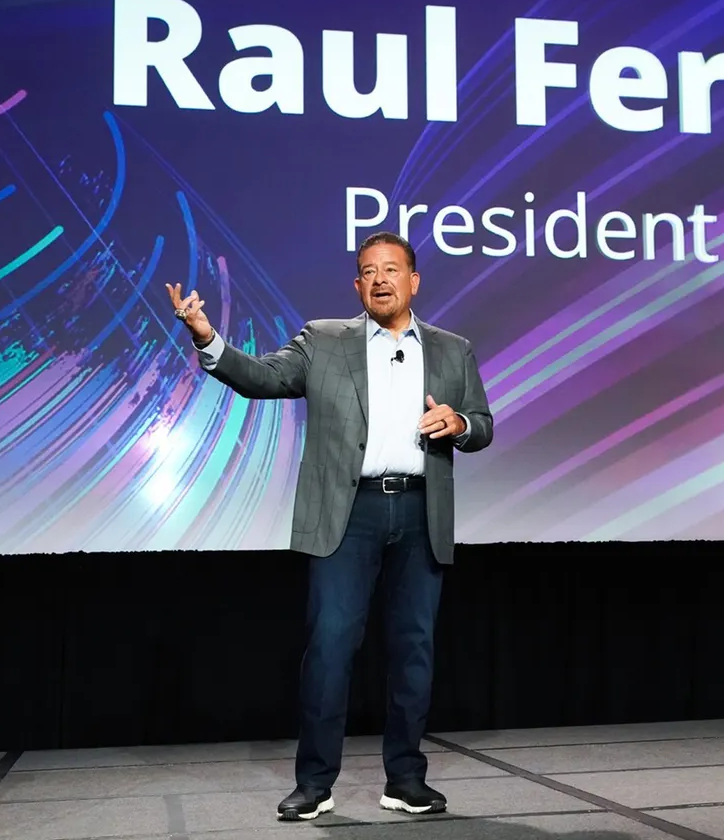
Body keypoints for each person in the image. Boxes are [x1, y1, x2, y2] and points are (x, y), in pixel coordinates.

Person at [165, 231, 493, 821]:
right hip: (349, 514)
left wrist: (461, 423)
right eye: (369, 271)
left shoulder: (452, 349)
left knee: (413, 651)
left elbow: (484, 425)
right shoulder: (324, 340)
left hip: (421, 513)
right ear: (357, 284)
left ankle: (405, 780)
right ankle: (315, 782)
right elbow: (263, 378)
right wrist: (207, 337)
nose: (380, 279)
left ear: (414, 281)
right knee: (331, 650)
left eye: (392, 270)